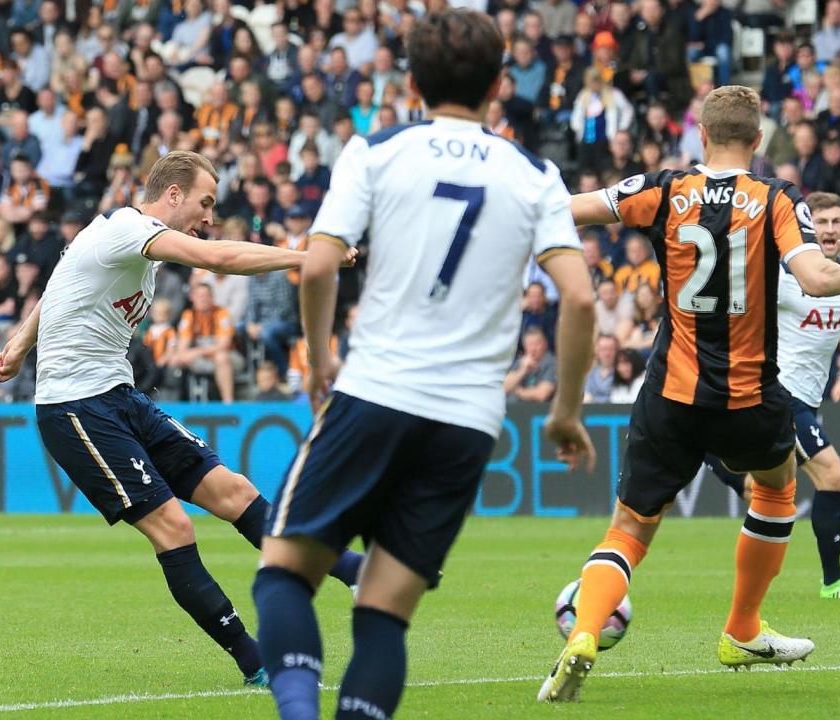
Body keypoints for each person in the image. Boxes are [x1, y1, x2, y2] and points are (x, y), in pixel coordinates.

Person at [251, 12, 596, 720]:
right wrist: (564, 411)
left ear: (409, 81)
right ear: (501, 86)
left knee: (283, 576)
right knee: (383, 613)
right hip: (466, 421)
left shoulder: (376, 150)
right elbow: (583, 299)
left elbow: (318, 264)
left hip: (376, 390)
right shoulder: (536, 175)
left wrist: (319, 360)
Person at [538, 85, 840, 703]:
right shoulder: (777, 198)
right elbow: (817, 277)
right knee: (777, 487)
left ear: (701, 136)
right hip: (750, 397)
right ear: (758, 142)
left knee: (627, 530)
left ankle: (585, 632)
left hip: (671, 392)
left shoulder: (664, 188)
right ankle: (743, 628)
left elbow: (571, 208)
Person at [0, 151, 363, 689]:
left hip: (119, 395)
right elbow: (217, 258)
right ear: (172, 195)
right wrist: (304, 256)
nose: (209, 216)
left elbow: (59, 281)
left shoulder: (123, 241)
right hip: (75, 407)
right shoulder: (129, 230)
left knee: (234, 492)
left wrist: (21, 342)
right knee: (174, 526)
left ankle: (354, 574)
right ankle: (254, 661)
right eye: (205, 202)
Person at [709, 193, 840, 600]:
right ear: (808, 227)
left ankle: (711, 450)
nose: (828, 230)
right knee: (833, 474)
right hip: (778, 394)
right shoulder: (785, 277)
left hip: (807, 400)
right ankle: (834, 582)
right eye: (820, 222)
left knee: (765, 490)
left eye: (835, 222)